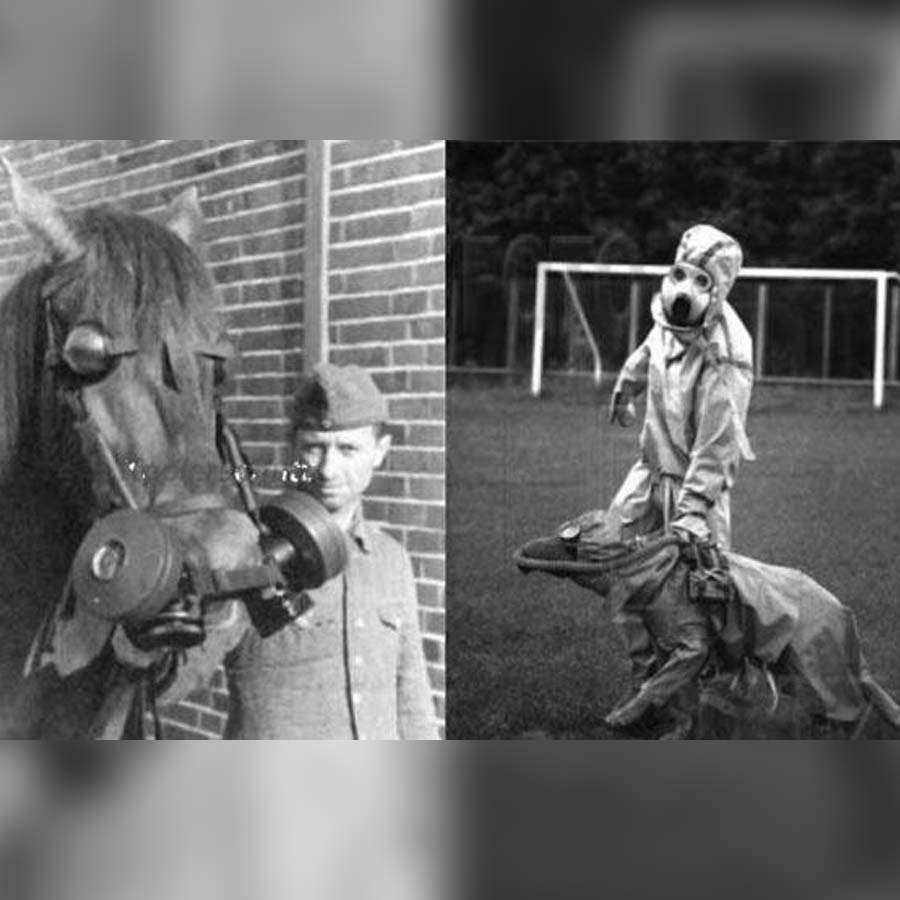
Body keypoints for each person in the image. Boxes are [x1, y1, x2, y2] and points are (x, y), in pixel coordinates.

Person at [120, 363, 440, 740]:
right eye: (314, 449)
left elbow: (412, 696)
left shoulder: (391, 559)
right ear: (293, 450)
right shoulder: (244, 552)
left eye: (348, 449)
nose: (328, 468)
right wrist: (145, 639)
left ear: (380, 452)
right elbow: (172, 684)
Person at [604, 224, 755, 727]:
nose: (684, 290)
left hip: (697, 496)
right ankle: (647, 684)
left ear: (720, 289)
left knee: (702, 603)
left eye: (701, 281)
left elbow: (717, 444)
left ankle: (707, 708)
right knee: (620, 570)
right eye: (679, 274)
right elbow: (649, 349)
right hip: (648, 475)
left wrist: (691, 513)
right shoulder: (668, 317)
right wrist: (626, 388)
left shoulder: (728, 352)